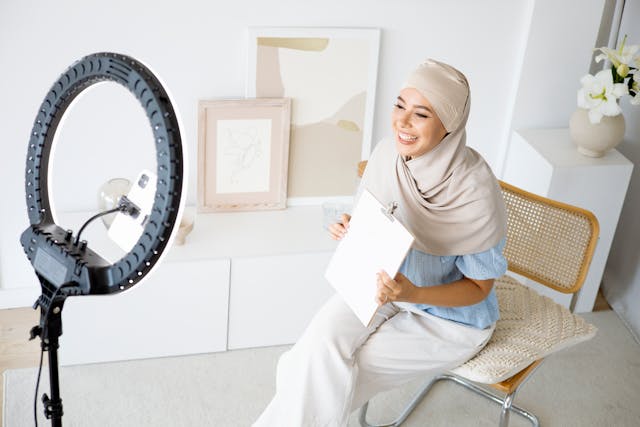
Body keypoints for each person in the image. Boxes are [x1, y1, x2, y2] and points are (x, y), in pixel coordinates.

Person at [253, 59, 508, 427]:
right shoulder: (388, 155)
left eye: (420, 114)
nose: (402, 122)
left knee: (332, 378)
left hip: (451, 321)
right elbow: (377, 219)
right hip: (382, 287)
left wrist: (413, 294)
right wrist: (350, 227)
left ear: (449, 125)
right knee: (312, 352)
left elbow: (479, 289)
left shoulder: (475, 192)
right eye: (399, 106)